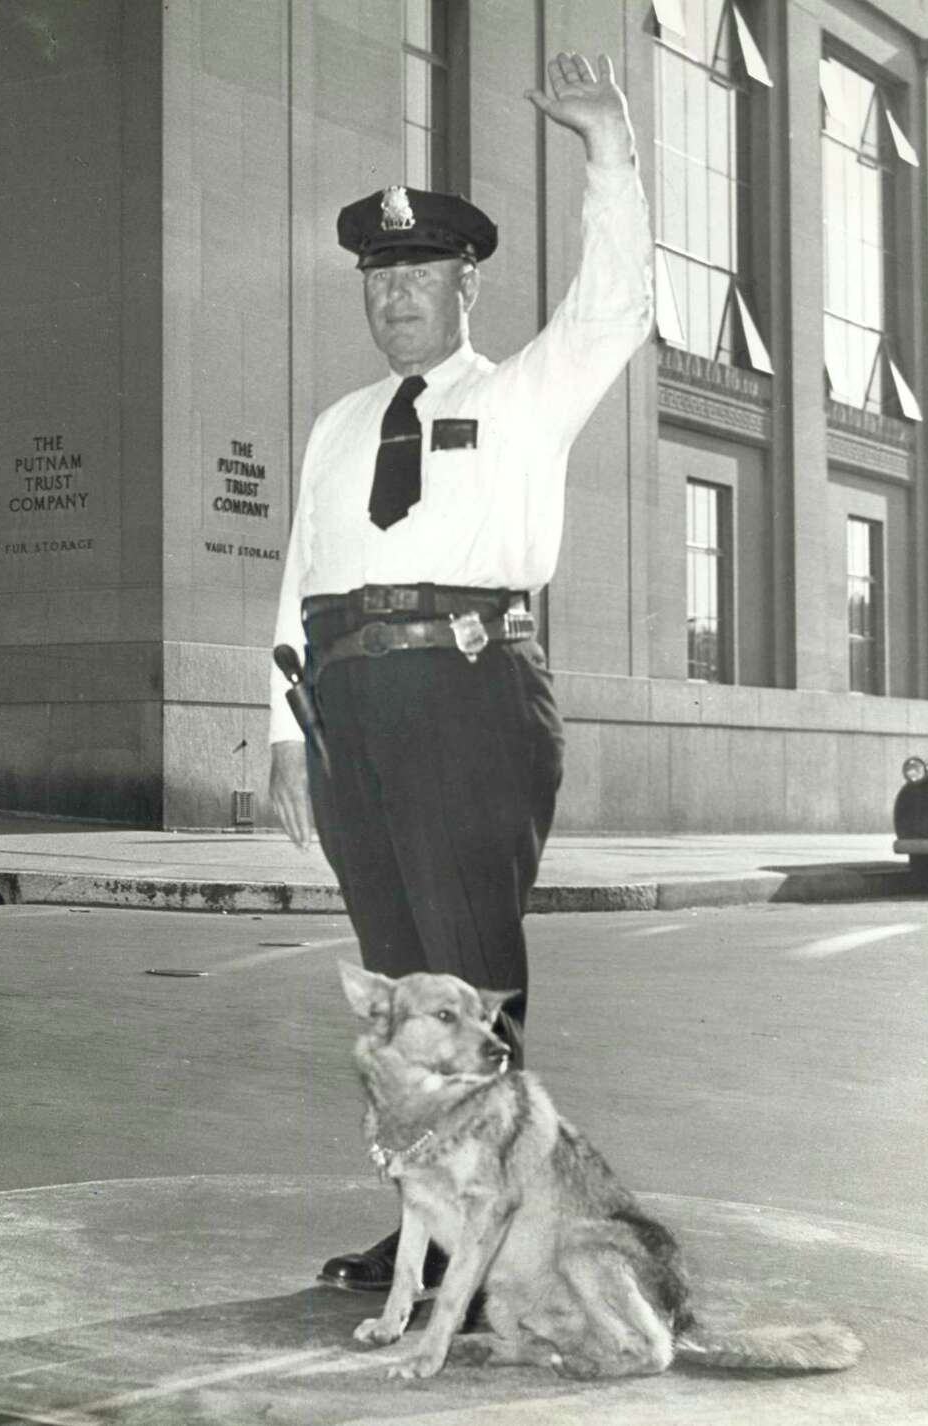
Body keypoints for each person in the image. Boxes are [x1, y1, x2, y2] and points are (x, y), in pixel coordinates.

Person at [269, 50, 652, 1293]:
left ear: (464, 284)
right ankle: (431, 1224)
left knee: (471, 980)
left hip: (469, 692)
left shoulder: (526, 394)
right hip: (350, 710)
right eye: (379, 278)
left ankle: (505, 1236)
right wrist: (282, 729)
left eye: (419, 273)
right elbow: (302, 578)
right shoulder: (335, 425)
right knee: (395, 992)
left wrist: (609, 151)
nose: (395, 298)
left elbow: (613, 308)